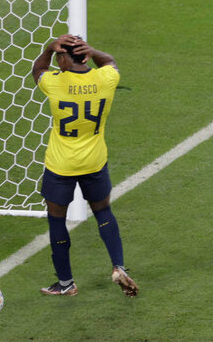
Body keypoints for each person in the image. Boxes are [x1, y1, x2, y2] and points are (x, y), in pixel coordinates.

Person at [31, 34, 137, 297]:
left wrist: (47, 49)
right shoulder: (105, 79)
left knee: (56, 220)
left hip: (61, 166)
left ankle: (66, 283)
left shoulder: (55, 82)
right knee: (103, 213)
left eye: (59, 56)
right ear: (85, 56)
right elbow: (110, 61)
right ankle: (118, 266)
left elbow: (38, 70)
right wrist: (93, 51)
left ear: (66, 58)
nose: (57, 61)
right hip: (94, 161)